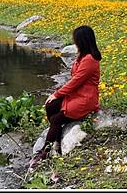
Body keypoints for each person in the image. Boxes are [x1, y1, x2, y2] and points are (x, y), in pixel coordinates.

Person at [29, 25, 101, 167]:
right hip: (77, 95)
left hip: (85, 99)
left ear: (82, 41)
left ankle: (46, 151)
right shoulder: (82, 56)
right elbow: (74, 81)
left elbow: (76, 81)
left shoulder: (90, 60)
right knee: (50, 105)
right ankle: (56, 136)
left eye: (76, 40)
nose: (74, 42)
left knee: (56, 119)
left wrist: (57, 93)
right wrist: (56, 96)